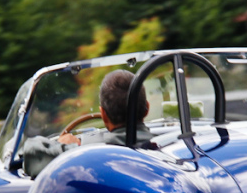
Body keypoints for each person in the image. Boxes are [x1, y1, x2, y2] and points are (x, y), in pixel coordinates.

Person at [20, 69, 150, 177]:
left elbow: (32, 153)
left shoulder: (83, 155)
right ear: (147, 109)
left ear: (103, 114)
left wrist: (68, 146)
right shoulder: (165, 144)